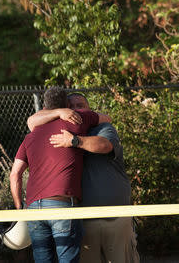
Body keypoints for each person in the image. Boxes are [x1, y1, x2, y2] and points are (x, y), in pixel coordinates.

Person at [27, 93, 140, 263]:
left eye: (80, 105)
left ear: (89, 110)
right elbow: (31, 122)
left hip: (115, 217)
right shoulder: (60, 131)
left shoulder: (102, 128)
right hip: (84, 221)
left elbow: (105, 145)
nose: (74, 111)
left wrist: (75, 141)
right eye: (70, 107)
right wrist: (59, 113)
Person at [10, 87, 110, 263]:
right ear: (67, 106)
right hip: (62, 203)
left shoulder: (30, 136)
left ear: (44, 108)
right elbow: (107, 119)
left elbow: (15, 174)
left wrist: (19, 208)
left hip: (33, 209)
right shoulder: (77, 119)